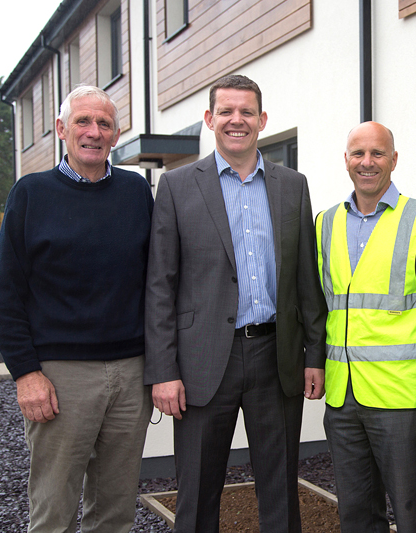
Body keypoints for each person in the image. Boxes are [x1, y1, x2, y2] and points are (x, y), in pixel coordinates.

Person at [144, 74, 327, 533]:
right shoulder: (177, 186)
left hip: (275, 358)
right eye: (226, 111)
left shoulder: (293, 186)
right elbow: (160, 285)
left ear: (262, 120)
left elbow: (307, 279)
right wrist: (163, 370)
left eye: (246, 112)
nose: (236, 120)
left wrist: (314, 354)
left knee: (280, 488)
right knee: (197, 493)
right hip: (202, 362)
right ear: (209, 119)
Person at [0, 86, 154, 532]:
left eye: (103, 124)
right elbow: (5, 293)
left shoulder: (136, 192)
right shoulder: (30, 194)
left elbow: (155, 279)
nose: (93, 132)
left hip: (130, 372)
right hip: (60, 376)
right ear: (62, 129)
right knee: (53, 505)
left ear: (116, 135)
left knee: (115, 507)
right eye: (83, 121)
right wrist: (26, 373)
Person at [316, 121, 416, 532]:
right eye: (358, 154)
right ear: (346, 160)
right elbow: (323, 304)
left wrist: (414, 355)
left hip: (400, 396)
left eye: (377, 153)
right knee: (357, 515)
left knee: (412, 514)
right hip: (343, 396)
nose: (367, 162)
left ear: (393, 160)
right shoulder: (325, 224)